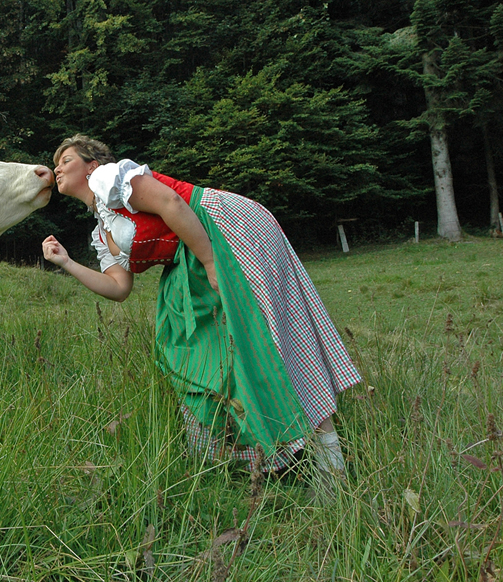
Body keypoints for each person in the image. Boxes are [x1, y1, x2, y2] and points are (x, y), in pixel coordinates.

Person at [42, 134, 361, 487]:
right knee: (199, 352)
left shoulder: (109, 178)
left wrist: (212, 261)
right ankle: (257, 458)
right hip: (189, 257)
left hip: (222, 227)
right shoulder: (102, 231)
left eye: (66, 160)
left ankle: (331, 468)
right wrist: (66, 262)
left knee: (262, 337)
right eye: (56, 163)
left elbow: (172, 203)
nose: (57, 168)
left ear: (92, 165)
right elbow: (119, 288)